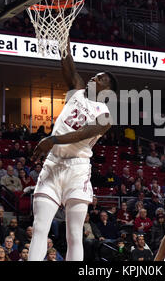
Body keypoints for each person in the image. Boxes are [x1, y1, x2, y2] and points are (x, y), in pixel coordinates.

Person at [28, 38, 118, 261]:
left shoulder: (105, 115)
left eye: (101, 79)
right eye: (95, 75)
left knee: (74, 235)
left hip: (77, 170)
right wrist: (63, 40)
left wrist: (53, 139)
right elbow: (68, 65)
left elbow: (82, 134)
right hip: (53, 164)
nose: (94, 77)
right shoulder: (77, 90)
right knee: (39, 227)